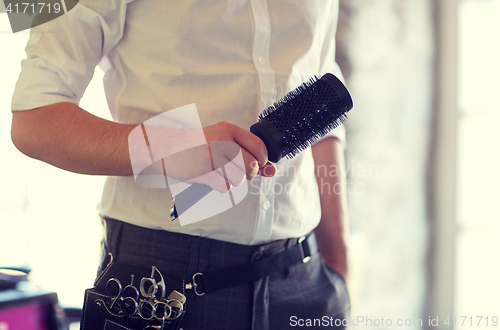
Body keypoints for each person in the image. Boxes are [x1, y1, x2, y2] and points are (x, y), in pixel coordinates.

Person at [10, 0, 350, 329]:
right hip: (159, 281)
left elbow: (321, 89)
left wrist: (338, 266)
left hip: (304, 278)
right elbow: (35, 120)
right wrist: (169, 148)